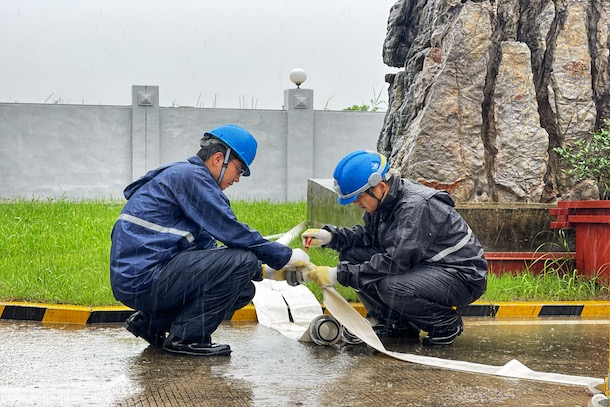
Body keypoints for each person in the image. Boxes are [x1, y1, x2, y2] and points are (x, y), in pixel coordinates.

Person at [110, 124, 310, 356]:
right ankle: (185, 338)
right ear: (218, 159)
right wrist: (286, 257)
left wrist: (270, 273)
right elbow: (233, 232)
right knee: (242, 260)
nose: (238, 179)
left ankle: (152, 323)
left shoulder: (183, 176)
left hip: (141, 277)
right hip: (144, 278)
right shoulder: (193, 178)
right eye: (239, 170)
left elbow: (207, 251)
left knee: (242, 289)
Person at [302, 150, 487, 346]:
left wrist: (338, 274)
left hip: (462, 275)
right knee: (352, 256)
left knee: (391, 287)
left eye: (358, 198)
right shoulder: (385, 201)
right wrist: (331, 237)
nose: (356, 204)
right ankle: (396, 325)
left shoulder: (414, 207)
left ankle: (445, 324)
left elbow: (394, 262)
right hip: (429, 266)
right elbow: (370, 237)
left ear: (380, 186)